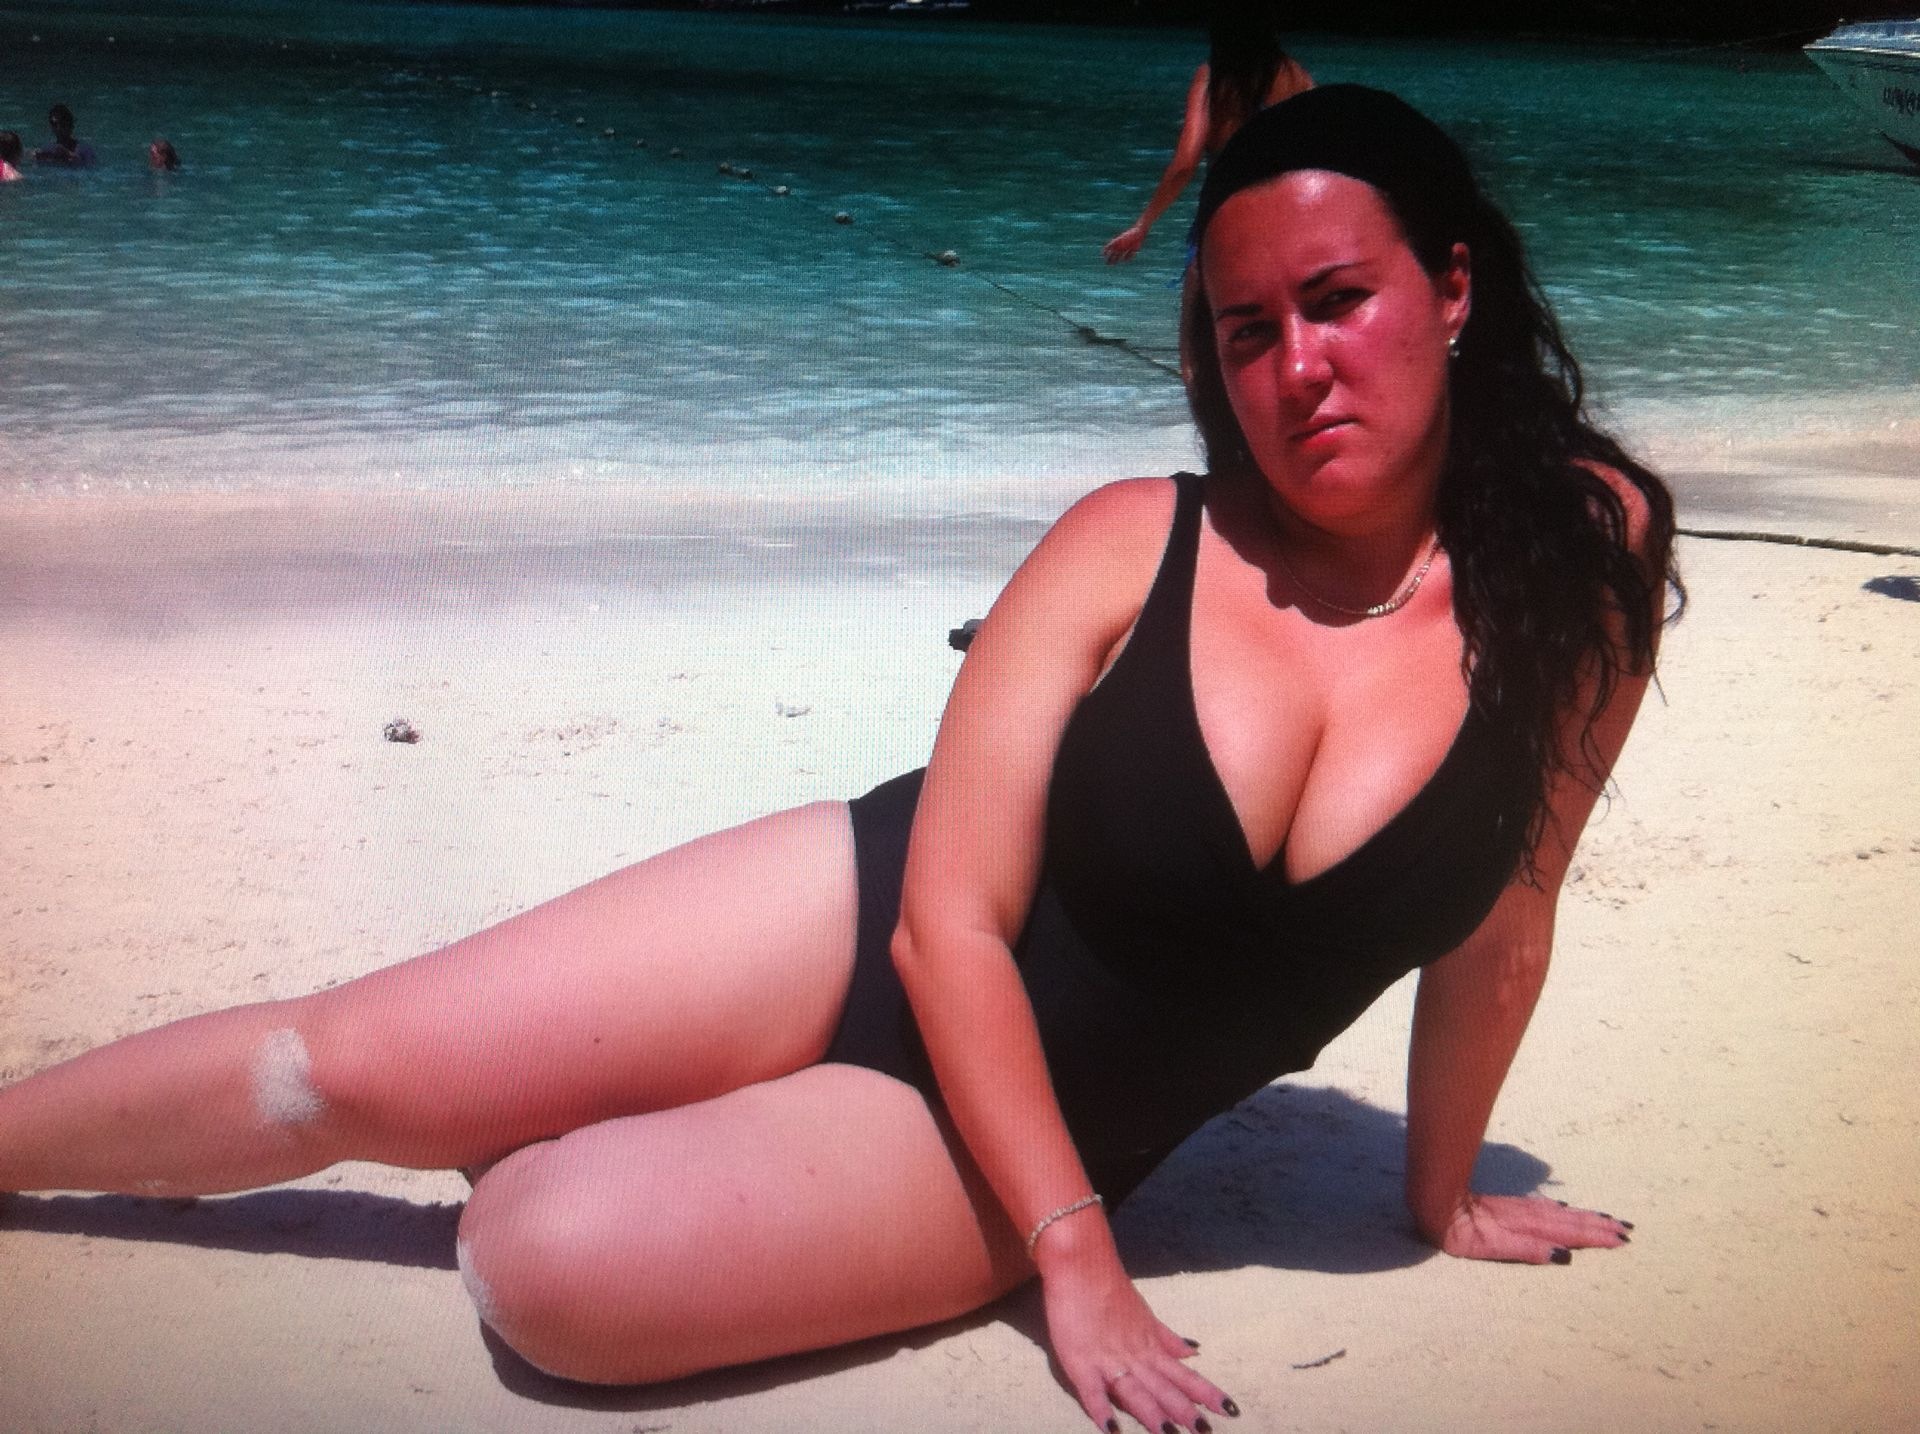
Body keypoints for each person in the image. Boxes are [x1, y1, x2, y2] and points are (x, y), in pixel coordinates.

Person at [0, 85, 1679, 1434]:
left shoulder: (1588, 561)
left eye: (1338, 301)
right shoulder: (1132, 539)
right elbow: (946, 924)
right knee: (340, 1067)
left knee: (541, 1260)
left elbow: (1511, 906)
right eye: (1246, 330)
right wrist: (1077, 1259)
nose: (1295, 367)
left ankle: (634, 1124)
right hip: (867, 908)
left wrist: (1442, 1188)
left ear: (1452, 290)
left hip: (1011, 1124)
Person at [1102, 3, 1313, 266]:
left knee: (1206, 290)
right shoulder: (1298, 78)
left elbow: (1185, 163)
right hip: (1288, 223)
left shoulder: (1213, 78)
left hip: (1228, 219)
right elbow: (1320, 150)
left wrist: (1143, 224)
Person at [33, 103, 96, 167]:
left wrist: (69, 156)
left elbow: (91, 168)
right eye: (54, 124)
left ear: (70, 125)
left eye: (62, 123)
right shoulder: (48, 149)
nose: (58, 128)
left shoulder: (85, 150)